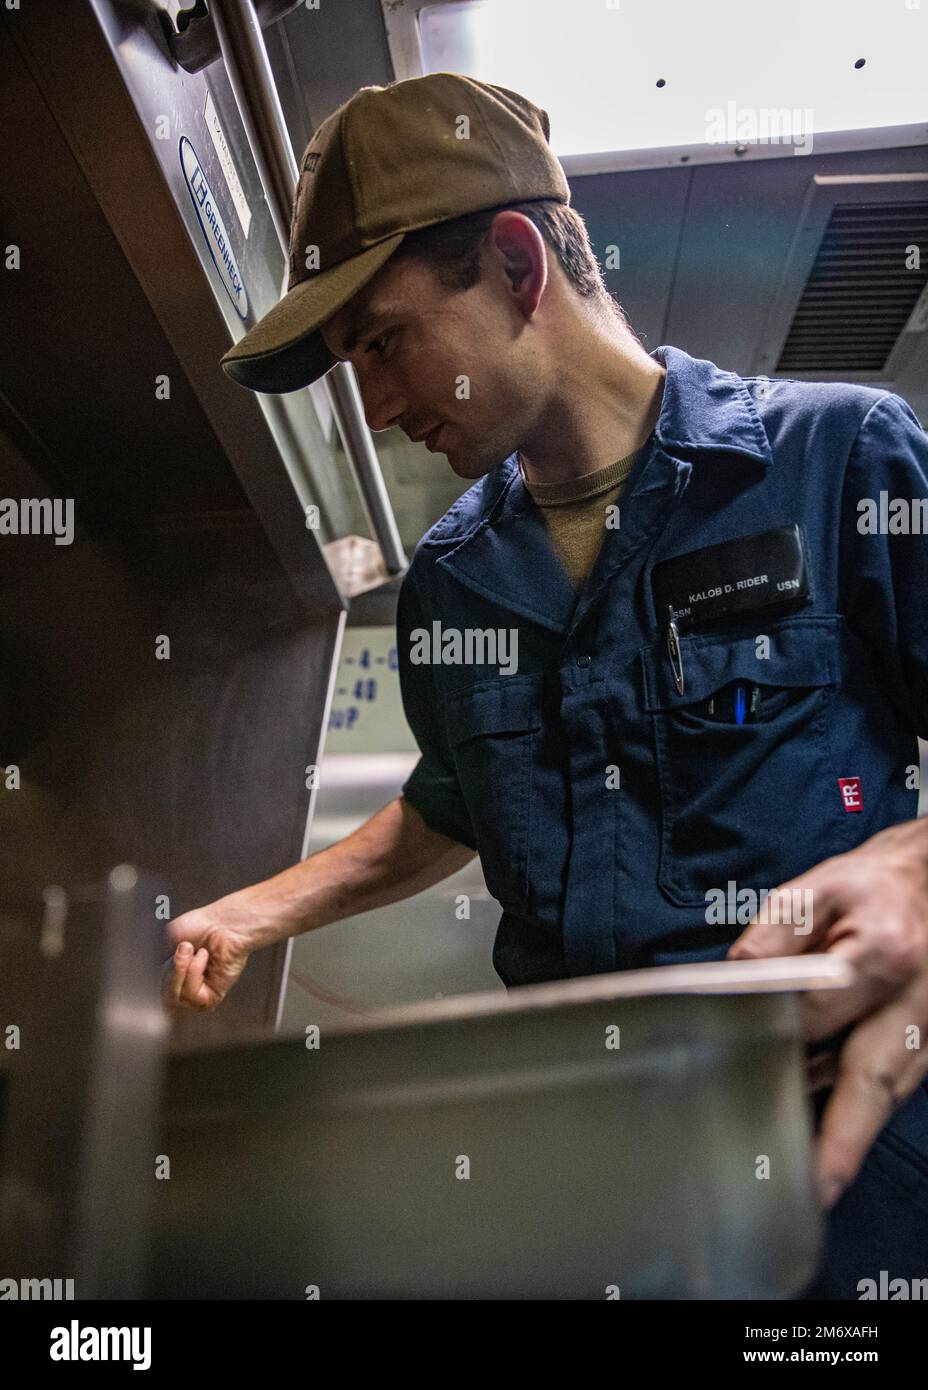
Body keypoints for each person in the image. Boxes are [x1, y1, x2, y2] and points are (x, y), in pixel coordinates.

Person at [162, 73, 928, 1298]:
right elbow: (455, 802)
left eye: (383, 341)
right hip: (590, 1184)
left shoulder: (841, 460)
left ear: (518, 266)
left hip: (846, 1167)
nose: (374, 399)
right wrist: (260, 908)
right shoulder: (455, 584)